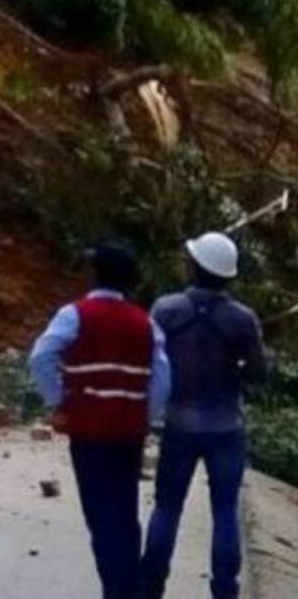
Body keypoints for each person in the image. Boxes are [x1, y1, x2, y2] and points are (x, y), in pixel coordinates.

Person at [29, 241, 171, 599]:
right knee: (124, 510)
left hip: (89, 430)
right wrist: (142, 413)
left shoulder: (74, 314)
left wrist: (59, 400)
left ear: (95, 274)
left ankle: (120, 589)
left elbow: (41, 357)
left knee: (100, 513)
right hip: (128, 432)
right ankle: (127, 586)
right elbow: (163, 380)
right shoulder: (146, 323)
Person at [140, 232, 269, 599]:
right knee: (225, 510)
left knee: (166, 506)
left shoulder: (166, 309)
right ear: (229, 275)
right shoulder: (243, 320)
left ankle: (150, 585)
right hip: (226, 426)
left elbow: (151, 362)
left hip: (178, 422)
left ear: (195, 267)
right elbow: (258, 376)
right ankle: (224, 590)